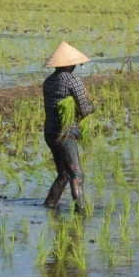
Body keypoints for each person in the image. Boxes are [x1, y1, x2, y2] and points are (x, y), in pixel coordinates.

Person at [41, 41, 94, 210]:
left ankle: (50, 205)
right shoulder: (74, 81)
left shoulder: (48, 81)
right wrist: (94, 106)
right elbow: (84, 109)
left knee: (63, 174)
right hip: (66, 133)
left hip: (50, 132)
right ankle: (81, 210)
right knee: (76, 174)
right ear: (70, 64)